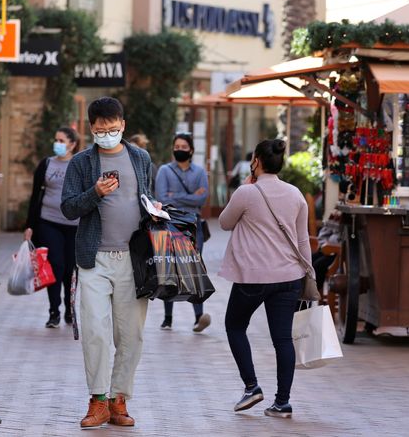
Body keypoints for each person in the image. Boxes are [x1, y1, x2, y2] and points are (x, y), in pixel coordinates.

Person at [61, 97, 159, 429]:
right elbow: (69, 208)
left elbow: (147, 198)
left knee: (131, 334)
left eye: (113, 129)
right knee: (95, 331)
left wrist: (157, 211)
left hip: (134, 260)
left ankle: (119, 399)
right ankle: (98, 399)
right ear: (91, 129)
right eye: (101, 130)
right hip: (94, 259)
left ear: (123, 125)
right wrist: (95, 193)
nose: (107, 134)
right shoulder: (81, 163)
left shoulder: (141, 158)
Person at [218, 139, 310, 419]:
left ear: (256, 161)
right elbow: (303, 240)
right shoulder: (296, 194)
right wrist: (310, 277)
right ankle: (282, 402)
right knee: (282, 339)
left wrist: (245, 187)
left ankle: (251, 387)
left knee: (234, 326)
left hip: (253, 277)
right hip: (289, 276)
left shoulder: (246, 193)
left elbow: (224, 222)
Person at [24, 127, 80, 328]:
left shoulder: (80, 165)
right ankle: (54, 311)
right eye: (56, 139)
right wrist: (30, 225)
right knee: (55, 265)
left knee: (70, 269)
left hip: (74, 225)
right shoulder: (46, 164)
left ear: (73, 144)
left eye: (62, 140)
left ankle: (70, 310)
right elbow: (35, 196)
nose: (57, 143)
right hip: (48, 222)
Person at [155, 132, 211, 332]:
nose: (179, 150)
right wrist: (189, 196)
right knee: (168, 269)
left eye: (183, 147)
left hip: (193, 225)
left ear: (191, 150)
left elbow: (202, 200)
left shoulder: (200, 172)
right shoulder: (164, 170)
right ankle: (167, 318)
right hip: (169, 223)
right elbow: (162, 197)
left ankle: (198, 317)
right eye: (176, 146)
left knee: (194, 268)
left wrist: (175, 196)